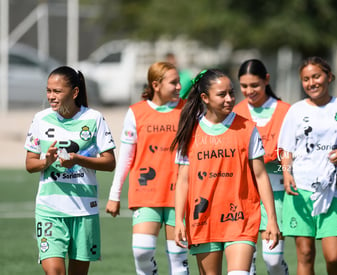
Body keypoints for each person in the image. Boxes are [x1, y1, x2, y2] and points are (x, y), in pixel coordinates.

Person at [171, 69, 281, 275]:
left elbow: (260, 176)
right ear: (205, 97)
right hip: (203, 220)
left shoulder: (247, 128)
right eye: (222, 94)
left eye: (231, 93)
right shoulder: (190, 131)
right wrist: (179, 220)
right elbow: (183, 180)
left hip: (241, 218)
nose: (229, 99)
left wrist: (272, 220)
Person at [278, 56, 337, 275]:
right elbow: (285, 149)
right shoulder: (296, 111)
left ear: (329, 76)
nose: (312, 83)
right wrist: (287, 174)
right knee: (305, 254)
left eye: (316, 76)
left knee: (334, 256)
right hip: (301, 189)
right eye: (306, 79)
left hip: (333, 188)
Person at [25, 66, 116, 275]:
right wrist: (46, 161)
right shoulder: (41, 119)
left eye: (57, 91)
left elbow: (110, 162)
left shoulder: (94, 118)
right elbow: (30, 163)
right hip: (49, 210)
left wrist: (78, 159)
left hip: (84, 210)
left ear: (74, 93)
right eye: (49, 91)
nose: (51, 96)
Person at [105, 61, 189, 274]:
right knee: (142, 251)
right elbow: (125, 156)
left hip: (179, 194)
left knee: (179, 257)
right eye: (174, 82)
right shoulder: (136, 112)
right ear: (156, 85)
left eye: (179, 82)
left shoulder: (187, 110)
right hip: (146, 192)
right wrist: (114, 195)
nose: (179, 87)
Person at [233, 59, 290, 275]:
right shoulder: (235, 112)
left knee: (273, 260)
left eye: (254, 85)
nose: (249, 91)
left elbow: (293, 153)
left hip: (275, 195)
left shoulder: (286, 111)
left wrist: (285, 170)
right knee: (245, 264)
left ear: (266, 80)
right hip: (243, 197)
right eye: (244, 86)